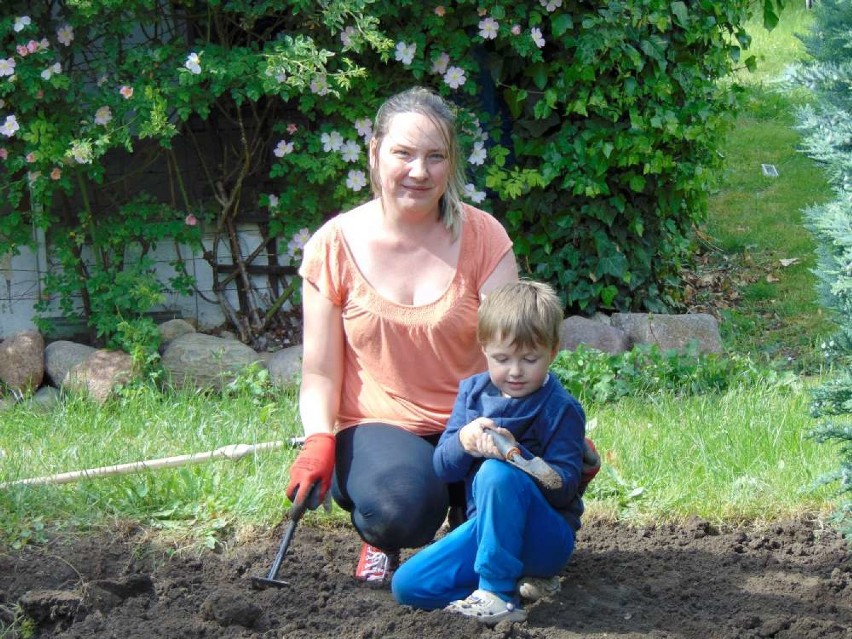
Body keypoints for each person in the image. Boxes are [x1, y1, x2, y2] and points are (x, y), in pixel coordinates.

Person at [284, 86, 519, 584]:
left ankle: (469, 525)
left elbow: (516, 348)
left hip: (477, 422)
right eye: (404, 153)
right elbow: (321, 371)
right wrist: (318, 439)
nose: (419, 171)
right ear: (375, 153)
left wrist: (546, 420)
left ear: (451, 163)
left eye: (436, 157)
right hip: (380, 426)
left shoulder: (485, 239)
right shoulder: (334, 245)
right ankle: (382, 539)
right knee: (402, 509)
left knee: (519, 515)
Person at [391, 280, 596, 624]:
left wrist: (518, 457)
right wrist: (465, 442)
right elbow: (443, 468)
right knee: (409, 586)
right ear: (484, 349)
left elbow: (563, 490)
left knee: (496, 473)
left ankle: (498, 594)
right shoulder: (472, 394)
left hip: (544, 539)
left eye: (530, 359)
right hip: (487, 531)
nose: (515, 371)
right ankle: (520, 585)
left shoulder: (560, 409)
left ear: (553, 352)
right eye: (502, 359)